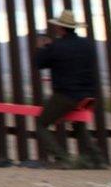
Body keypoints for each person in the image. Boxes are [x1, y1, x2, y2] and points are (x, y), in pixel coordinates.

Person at [35, 10, 104, 169]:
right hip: (88, 96)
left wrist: (42, 47)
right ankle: (97, 159)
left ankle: (63, 158)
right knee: (79, 124)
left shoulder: (56, 46)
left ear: (61, 28)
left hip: (66, 95)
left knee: (41, 124)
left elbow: (39, 64)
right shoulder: (87, 44)